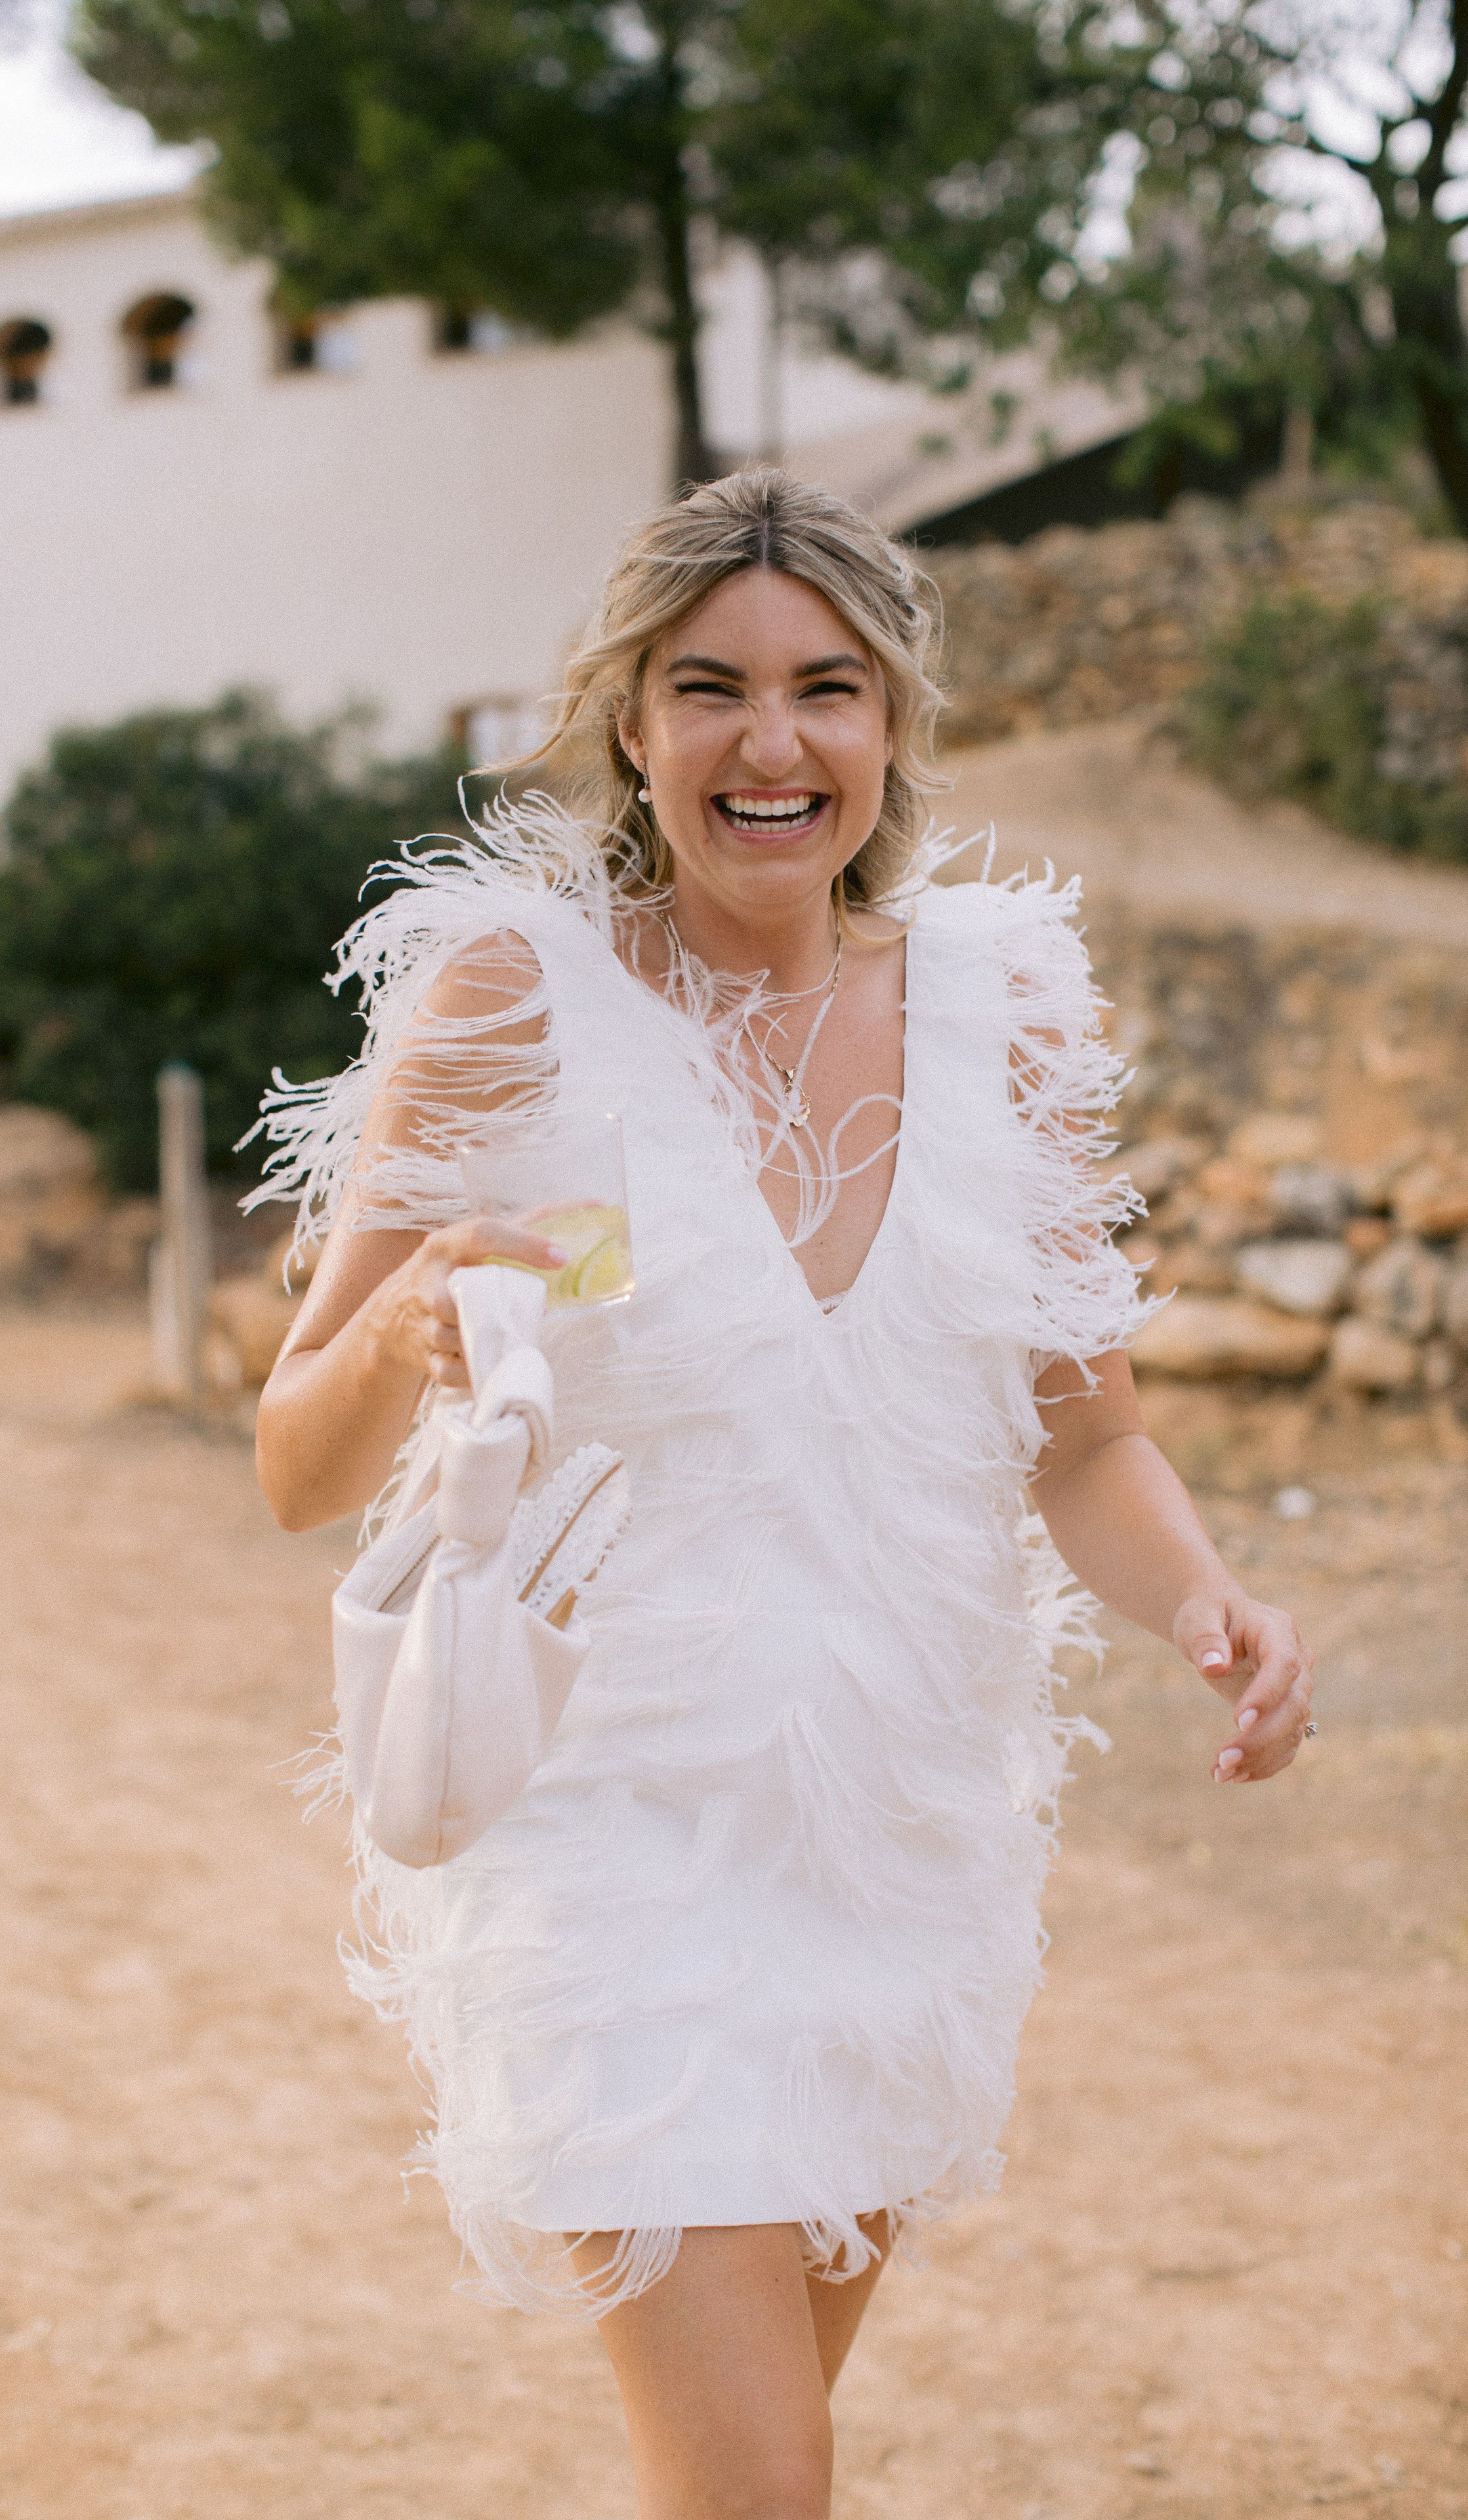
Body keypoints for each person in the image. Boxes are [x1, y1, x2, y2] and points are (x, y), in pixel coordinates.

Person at [251, 468, 1314, 2520]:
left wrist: (1204, 1602)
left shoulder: (1008, 1021)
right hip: (612, 1837)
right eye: (711, 689)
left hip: (899, 1842)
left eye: (829, 689)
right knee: (762, 2487)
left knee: (739, 2484)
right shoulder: (511, 1004)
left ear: (895, 725)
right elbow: (297, 1462)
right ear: (629, 722)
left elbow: (1083, 1435)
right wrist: (410, 1334)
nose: (774, 744)